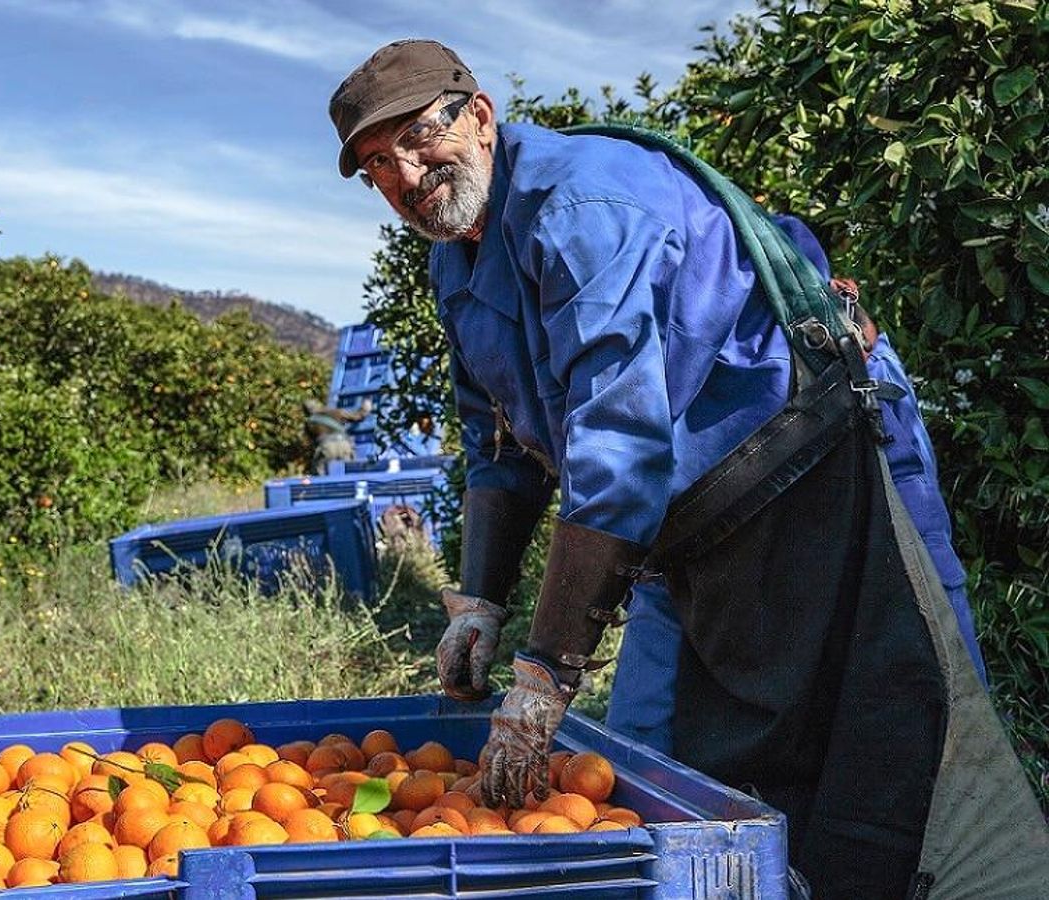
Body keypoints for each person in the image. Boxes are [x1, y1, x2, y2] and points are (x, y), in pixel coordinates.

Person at [329, 39, 1049, 898]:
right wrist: (479, 601)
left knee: (900, 725)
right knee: (655, 762)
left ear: (479, 118)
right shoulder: (457, 259)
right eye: (378, 164)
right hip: (676, 521)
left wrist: (546, 671)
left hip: (814, 460)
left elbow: (618, 445)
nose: (407, 175)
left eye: (417, 138)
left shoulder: (581, 207)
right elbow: (493, 434)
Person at [303, 396, 372, 474]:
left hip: (327, 447)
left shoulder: (309, 423)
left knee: (318, 471)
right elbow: (358, 417)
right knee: (351, 471)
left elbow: (311, 442)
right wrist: (366, 406)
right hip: (344, 444)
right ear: (319, 405)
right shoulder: (336, 412)